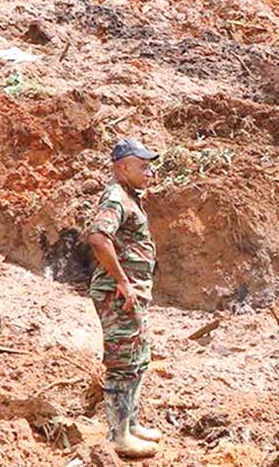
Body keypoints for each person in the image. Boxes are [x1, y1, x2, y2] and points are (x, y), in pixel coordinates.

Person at [86, 138, 162, 458]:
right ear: (122, 168)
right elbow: (98, 238)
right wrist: (122, 281)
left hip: (131, 293)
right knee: (122, 364)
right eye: (143, 166)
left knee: (138, 358)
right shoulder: (116, 197)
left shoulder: (130, 197)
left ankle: (130, 422)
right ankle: (118, 436)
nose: (150, 172)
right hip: (118, 295)